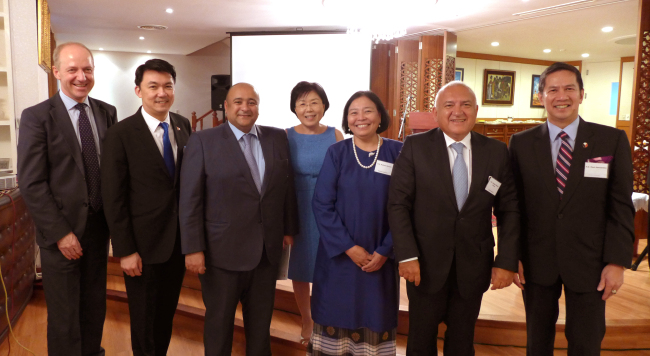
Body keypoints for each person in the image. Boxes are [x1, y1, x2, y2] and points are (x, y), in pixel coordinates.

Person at [509, 62, 634, 356]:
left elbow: (620, 207)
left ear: (581, 94)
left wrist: (617, 262)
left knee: (587, 342)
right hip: (537, 261)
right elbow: (512, 206)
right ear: (541, 96)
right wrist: (512, 256)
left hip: (591, 262)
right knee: (537, 343)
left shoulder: (611, 140)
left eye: (569, 89)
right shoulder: (521, 143)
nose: (561, 96)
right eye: (553, 89)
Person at [388, 81, 520, 355]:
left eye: (465, 104)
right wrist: (407, 255)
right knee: (421, 340)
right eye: (449, 105)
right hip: (423, 265)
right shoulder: (415, 147)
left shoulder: (496, 151)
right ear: (436, 112)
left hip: (474, 264)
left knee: (462, 341)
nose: (457, 112)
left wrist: (506, 261)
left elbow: (509, 209)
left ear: (476, 110)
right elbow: (398, 204)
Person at [179, 82, 299, 355]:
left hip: (266, 254)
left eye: (252, 102)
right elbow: (190, 199)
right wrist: (193, 248)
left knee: (260, 329)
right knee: (219, 326)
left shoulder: (277, 137)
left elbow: (286, 187)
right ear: (226, 107)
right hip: (220, 255)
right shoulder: (203, 140)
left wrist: (289, 228)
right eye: (238, 102)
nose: (245, 107)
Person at [17, 42, 117, 356]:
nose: (81, 76)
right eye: (72, 69)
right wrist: (61, 233)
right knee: (64, 317)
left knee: (93, 309)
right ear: (57, 71)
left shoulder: (106, 112)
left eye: (87, 69)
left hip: (99, 231)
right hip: (62, 235)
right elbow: (32, 183)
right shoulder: (37, 117)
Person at [101, 59, 191, 356]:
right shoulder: (120, 134)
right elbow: (113, 197)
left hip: (177, 244)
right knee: (143, 320)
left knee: (165, 316)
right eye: (153, 86)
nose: (161, 93)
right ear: (139, 90)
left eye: (167, 86)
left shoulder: (182, 125)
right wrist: (125, 250)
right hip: (141, 247)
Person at [310, 91, 402, 355]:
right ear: (347, 120)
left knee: (376, 316)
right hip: (339, 257)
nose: (361, 117)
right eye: (354, 112)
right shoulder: (337, 152)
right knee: (335, 312)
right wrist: (349, 247)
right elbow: (322, 204)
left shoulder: (398, 151)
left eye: (368, 111)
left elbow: (406, 207)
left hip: (381, 259)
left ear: (380, 116)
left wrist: (385, 250)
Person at [286, 81, 344, 344]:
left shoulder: (335, 135)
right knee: (301, 268)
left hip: (329, 208)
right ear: (294, 108)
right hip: (298, 208)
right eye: (302, 103)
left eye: (314, 102)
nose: (309, 109)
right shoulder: (286, 136)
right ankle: (307, 320)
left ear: (324, 105)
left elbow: (344, 177)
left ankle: (326, 317)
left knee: (329, 266)